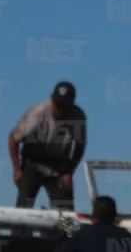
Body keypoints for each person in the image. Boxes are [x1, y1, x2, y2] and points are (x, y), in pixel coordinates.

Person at [9, 81, 87, 212]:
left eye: (64, 107)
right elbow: (13, 138)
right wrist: (17, 169)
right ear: (52, 99)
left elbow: (79, 147)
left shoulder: (78, 117)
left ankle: (63, 232)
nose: (60, 110)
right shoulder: (38, 112)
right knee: (24, 208)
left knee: (65, 213)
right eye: (57, 106)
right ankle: (20, 232)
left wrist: (69, 172)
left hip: (59, 166)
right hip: (33, 162)